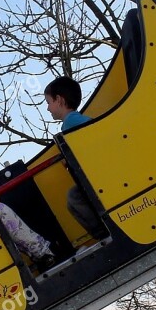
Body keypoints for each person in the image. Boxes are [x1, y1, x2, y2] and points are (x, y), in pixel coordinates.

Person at [44, 76, 110, 240]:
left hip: (99, 175)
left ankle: (104, 233)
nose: (48, 108)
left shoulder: (71, 121)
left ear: (59, 100)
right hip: (99, 173)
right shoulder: (73, 120)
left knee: (74, 197)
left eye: (49, 102)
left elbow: (92, 140)